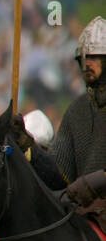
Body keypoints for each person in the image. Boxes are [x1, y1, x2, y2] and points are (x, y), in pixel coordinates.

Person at [25, 16, 106, 195]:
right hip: (86, 213)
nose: (87, 64)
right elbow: (58, 177)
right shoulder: (77, 111)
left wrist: (93, 183)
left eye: (93, 58)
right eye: (83, 59)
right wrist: (30, 150)